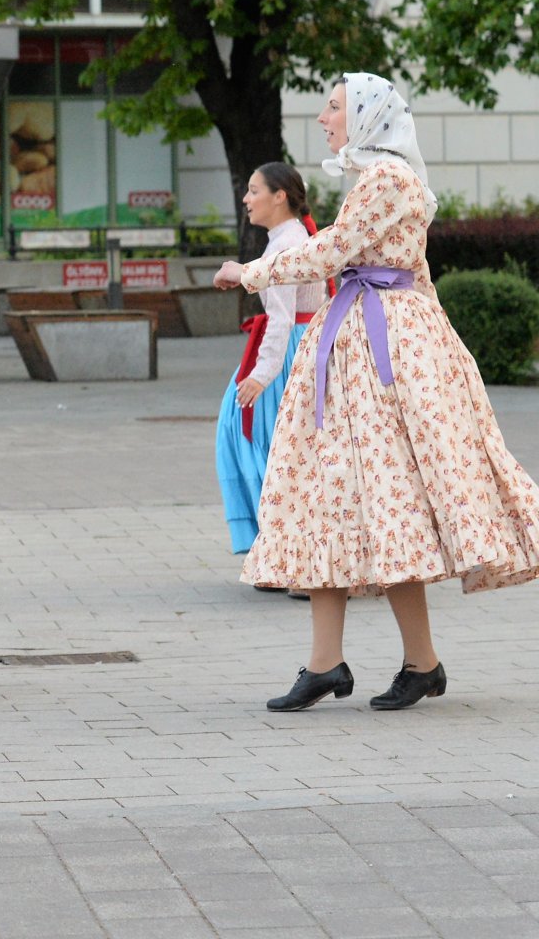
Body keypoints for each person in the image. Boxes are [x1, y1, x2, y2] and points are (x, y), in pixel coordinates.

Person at [216, 72, 539, 713]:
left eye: (333, 107)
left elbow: (329, 251)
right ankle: (336, 662)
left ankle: (403, 662)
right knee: (337, 497)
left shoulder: (387, 179)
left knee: (382, 502)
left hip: (378, 352)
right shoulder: (375, 179)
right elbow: (410, 272)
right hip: (359, 346)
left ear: (365, 116)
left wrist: (249, 271)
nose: (323, 118)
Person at [215, 163, 326, 588]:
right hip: (300, 347)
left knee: (262, 446)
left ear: (279, 196)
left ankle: (290, 557)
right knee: (276, 448)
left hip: (288, 353)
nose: (246, 199)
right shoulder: (291, 237)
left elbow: (279, 319)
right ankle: (283, 555)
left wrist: (262, 375)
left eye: (253, 189)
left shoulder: (287, 244)